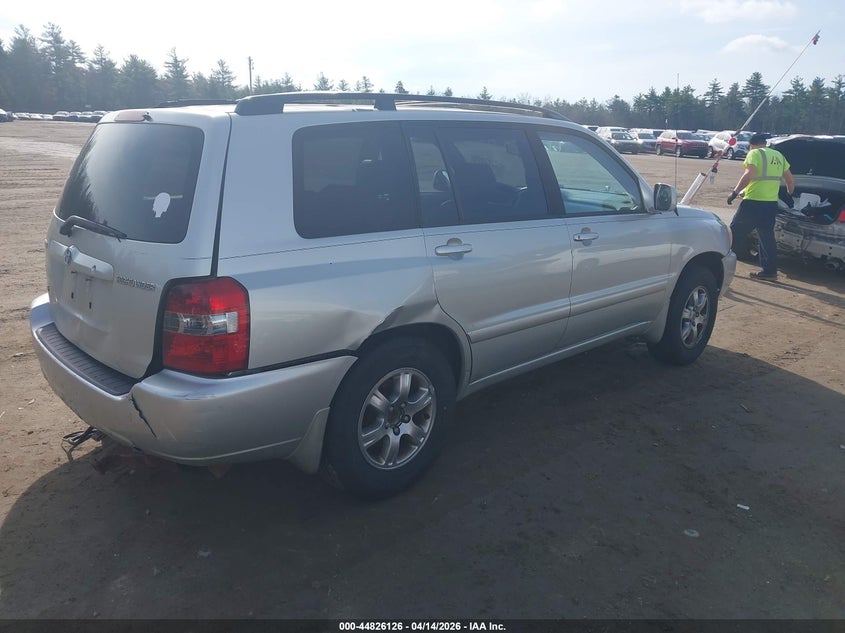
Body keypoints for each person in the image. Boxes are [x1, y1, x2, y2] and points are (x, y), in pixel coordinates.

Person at [727, 133, 794, 281]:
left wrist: (734, 192)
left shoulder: (754, 153)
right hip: (770, 204)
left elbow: (749, 174)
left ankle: (719, 263)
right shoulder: (778, 155)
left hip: (753, 201)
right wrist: (789, 194)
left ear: (752, 145)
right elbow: (789, 179)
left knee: (734, 232)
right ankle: (769, 271)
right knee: (766, 236)